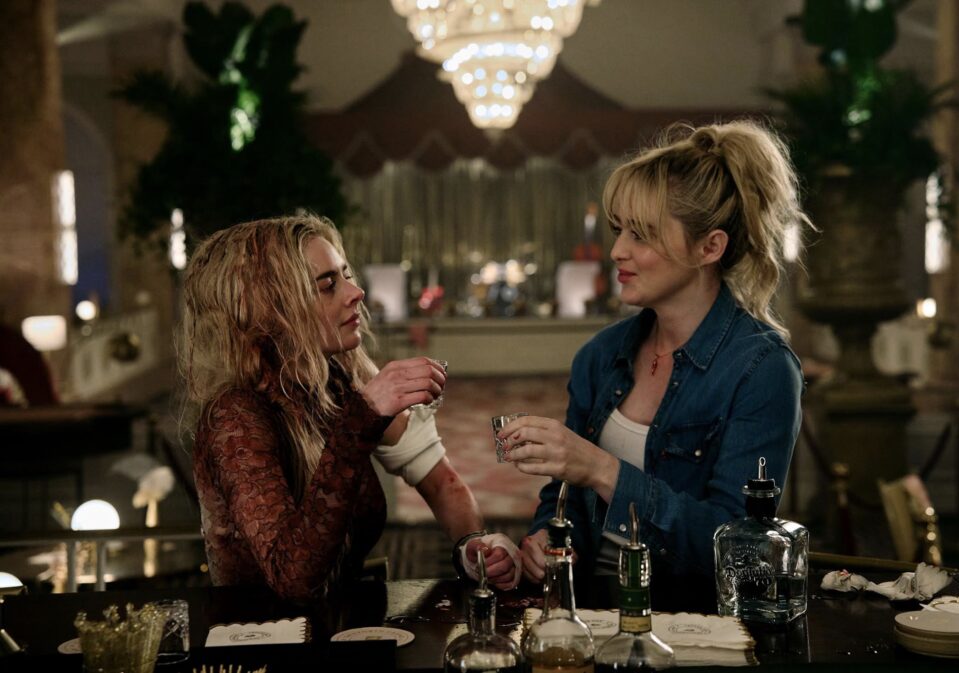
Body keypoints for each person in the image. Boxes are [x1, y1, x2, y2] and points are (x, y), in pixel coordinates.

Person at [501, 121, 809, 584]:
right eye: (619, 230)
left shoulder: (761, 369)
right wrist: (549, 540)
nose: (617, 251)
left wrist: (602, 469)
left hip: (688, 620)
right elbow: (564, 499)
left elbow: (739, 553)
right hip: (588, 611)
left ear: (709, 247)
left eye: (641, 234)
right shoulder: (600, 355)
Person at [182, 216, 519, 601]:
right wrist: (363, 417)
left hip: (341, 626)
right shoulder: (235, 416)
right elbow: (294, 580)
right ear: (271, 310)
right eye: (328, 285)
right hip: (266, 635)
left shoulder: (334, 381)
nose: (356, 292)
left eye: (346, 276)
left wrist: (474, 548)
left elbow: (440, 481)